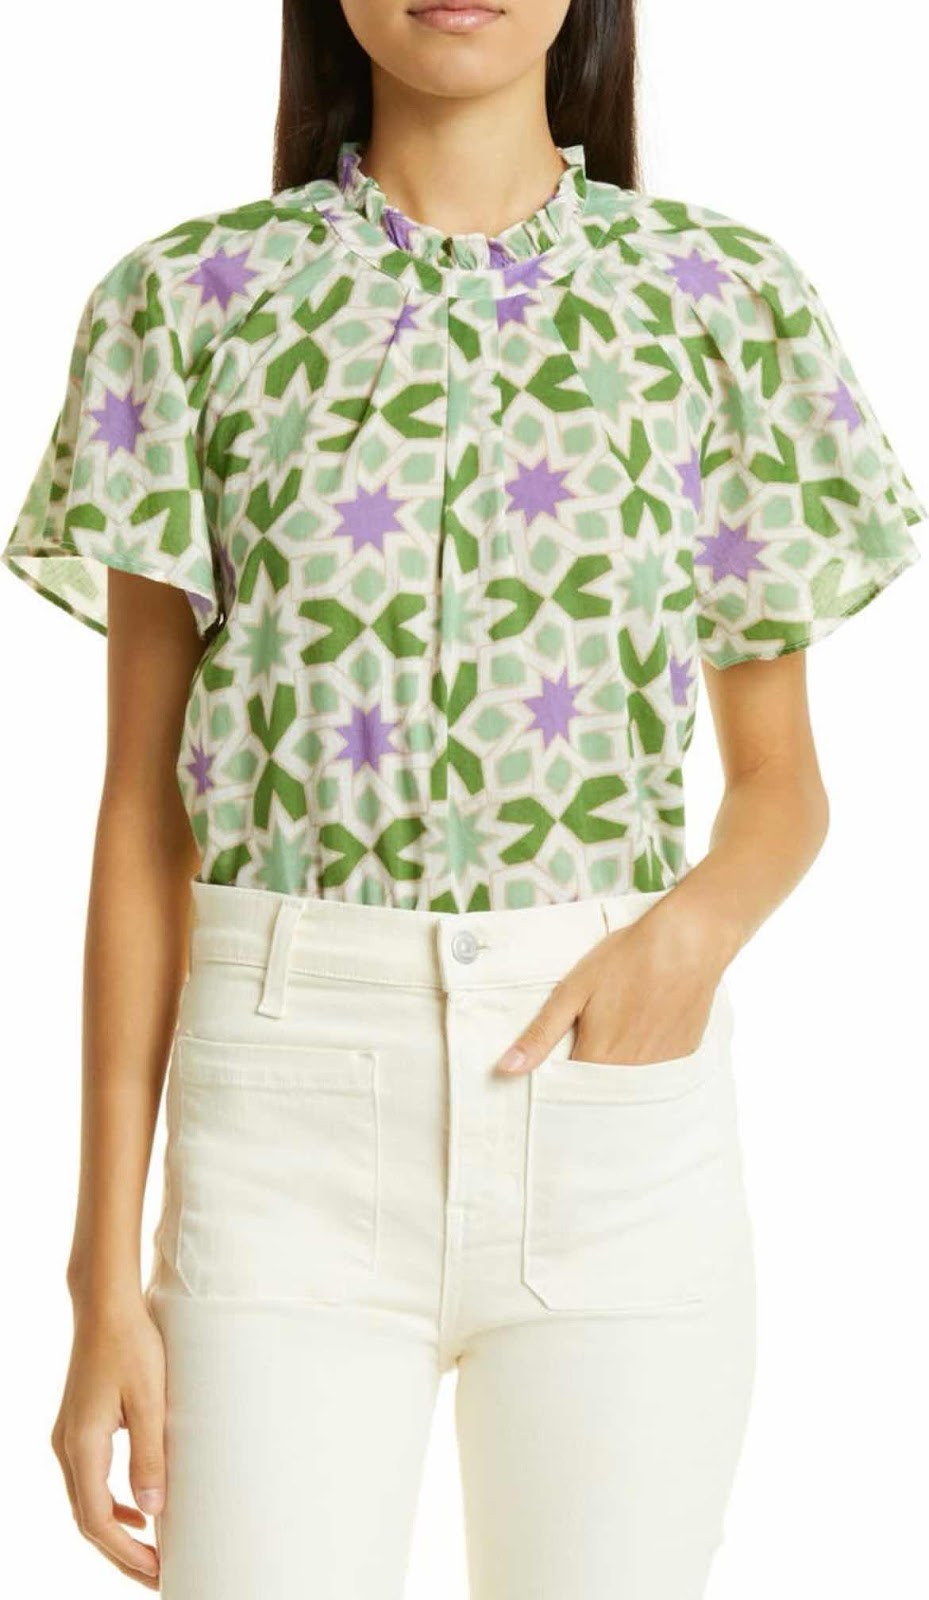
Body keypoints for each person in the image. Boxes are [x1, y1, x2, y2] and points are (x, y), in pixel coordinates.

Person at [3, 2, 925, 1596]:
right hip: (282, 1124)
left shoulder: (720, 298)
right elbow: (144, 818)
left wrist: (686, 937)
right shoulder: (185, 301)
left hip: (611, 1117)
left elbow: (779, 785)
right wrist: (99, 1284)